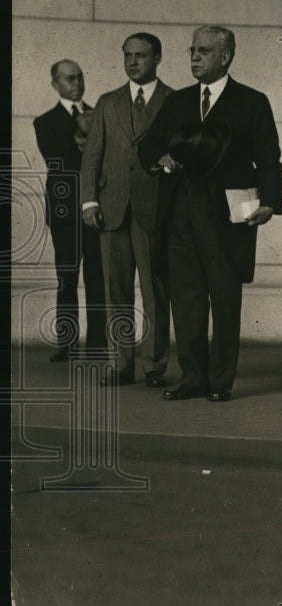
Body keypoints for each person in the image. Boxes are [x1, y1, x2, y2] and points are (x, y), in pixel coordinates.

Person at [138, 26, 282, 402]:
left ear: (225, 56)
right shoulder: (177, 102)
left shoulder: (252, 102)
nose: (194, 57)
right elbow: (148, 146)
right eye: (191, 50)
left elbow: (269, 160)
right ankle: (192, 379)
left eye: (203, 51)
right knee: (186, 300)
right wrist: (161, 156)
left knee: (224, 299)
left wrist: (270, 202)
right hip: (180, 215)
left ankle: (220, 382)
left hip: (226, 218)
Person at [80, 33, 173, 388]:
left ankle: (154, 366)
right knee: (115, 288)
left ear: (158, 58)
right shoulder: (107, 102)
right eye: (128, 56)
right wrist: (89, 200)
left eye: (141, 56)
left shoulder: (173, 100)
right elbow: (93, 155)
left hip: (153, 210)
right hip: (111, 208)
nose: (133, 62)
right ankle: (120, 364)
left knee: (155, 290)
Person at [34, 60, 109, 361]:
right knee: (67, 278)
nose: (77, 83)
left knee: (96, 277)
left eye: (79, 77)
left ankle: (97, 344)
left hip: (95, 207)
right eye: (69, 78)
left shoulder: (100, 116)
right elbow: (59, 160)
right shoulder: (44, 121)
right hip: (65, 212)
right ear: (55, 84)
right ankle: (66, 344)